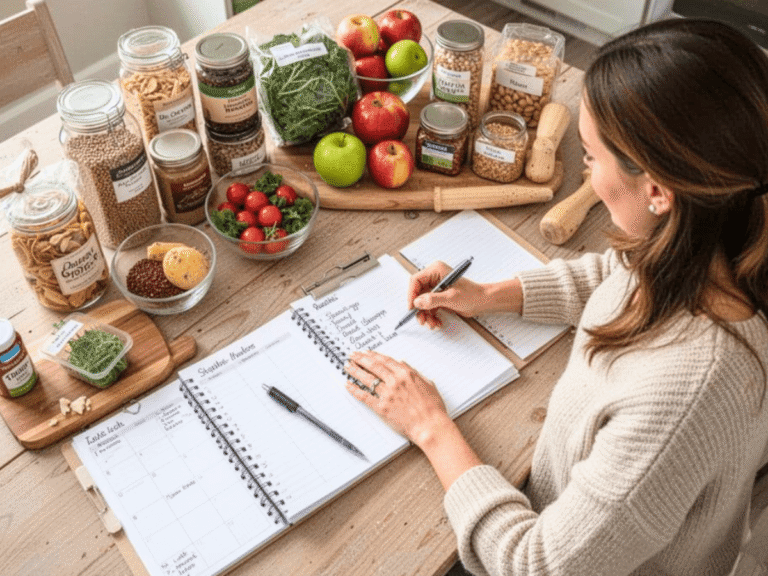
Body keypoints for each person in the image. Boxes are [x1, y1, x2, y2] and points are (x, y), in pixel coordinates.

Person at [344, 18, 768, 576]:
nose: (585, 172)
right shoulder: (716, 235)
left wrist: (429, 425)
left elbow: (536, 564)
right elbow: (618, 277)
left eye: (590, 158)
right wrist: (488, 294)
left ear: (658, 191)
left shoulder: (687, 394)